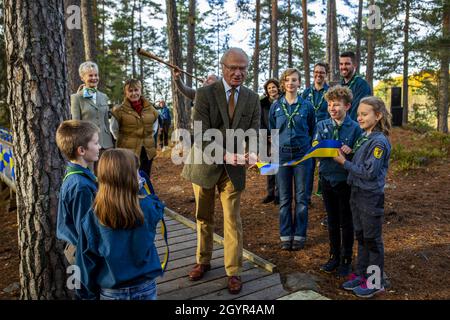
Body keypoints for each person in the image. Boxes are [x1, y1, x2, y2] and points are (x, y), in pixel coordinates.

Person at [181, 47, 260, 294]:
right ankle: (202, 260)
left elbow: (254, 131)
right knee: (203, 217)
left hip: (233, 171)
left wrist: (254, 151)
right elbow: (200, 134)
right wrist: (226, 154)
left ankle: (233, 271)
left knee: (232, 219)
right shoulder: (205, 94)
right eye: (233, 68)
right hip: (204, 165)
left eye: (243, 68)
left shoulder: (252, 97)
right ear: (223, 67)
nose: (238, 73)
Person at [75, 148, 166, 300]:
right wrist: (140, 186)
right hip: (145, 286)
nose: (140, 175)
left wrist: (86, 294)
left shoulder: (94, 215)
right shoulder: (148, 207)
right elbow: (157, 204)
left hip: (112, 290)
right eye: (136, 172)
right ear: (131, 178)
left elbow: (85, 260)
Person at [334, 96, 391, 298]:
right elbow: (360, 163)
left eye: (364, 114)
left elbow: (369, 172)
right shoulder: (364, 137)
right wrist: (349, 154)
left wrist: (343, 162)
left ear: (378, 116)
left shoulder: (379, 142)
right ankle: (362, 274)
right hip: (357, 194)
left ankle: (375, 282)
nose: (359, 118)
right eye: (358, 114)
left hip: (370, 197)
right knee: (361, 237)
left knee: (372, 240)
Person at [313, 86, 362, 277]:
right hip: (327, 179)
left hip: (345, 182)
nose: (332, 108)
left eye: (337, 105)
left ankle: (346, 259)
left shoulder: (355, 128)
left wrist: (351, 151)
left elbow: (360, 155)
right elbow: (315, 148)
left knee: (346, 221)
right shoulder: (322, 125)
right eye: (330, 104)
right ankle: (333, 256)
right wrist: (324, 148)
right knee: (332, 221)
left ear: (348, 106)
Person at [269, 68, 315, 251]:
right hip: (282, 155)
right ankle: (286, 233)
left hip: (302, 155)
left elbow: (312, 130)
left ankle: (300, 234)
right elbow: (273, 130)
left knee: (302, 198)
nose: (291, 83)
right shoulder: (276, 106)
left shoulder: (307, 106)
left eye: (294, 80)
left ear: (299, 83)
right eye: (287, 80)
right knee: (285, 198)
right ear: (283, 83)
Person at [55, 120, 100, 265]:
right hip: (87, 256)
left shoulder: (79, 175)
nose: (99, 147)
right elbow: (87, 232)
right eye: (95, 143)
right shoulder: (80, 186)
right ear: (81, 150)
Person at [110, 79, 159, 177]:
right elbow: (113, 129)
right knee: (129, 177)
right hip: (127, 151)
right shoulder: (119, 110)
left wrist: (144, 138)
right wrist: (125, 140)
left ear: (140, 91)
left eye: (136, 90)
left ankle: (144, 192)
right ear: (126, 93)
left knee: (145, 176)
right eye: (130, 91)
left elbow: (154, 128)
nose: (134, 93)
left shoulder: (151, 109)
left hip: (146, 150)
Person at [70, 62, 114, 170]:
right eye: (90, 75)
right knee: (90, 177)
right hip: (87, 145)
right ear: (82, 77)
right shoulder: (76, 98)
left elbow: (105, 122)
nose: (94, 78)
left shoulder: (103, 96)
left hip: (105, 144)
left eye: (96, 75)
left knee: (105, 176)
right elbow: (76, 124)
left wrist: (111, 142)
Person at [302, 62, 330, 219]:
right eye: (316, 72)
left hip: (325, 135)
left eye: (322, 72)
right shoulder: (306, 93)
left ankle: (326, 199)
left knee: (325, 168)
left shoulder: (330, 93)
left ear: (326, 75)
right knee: (308, 168)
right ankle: (306, 199)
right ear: (313, 73)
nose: (319, 75)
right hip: (308, 135)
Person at [260, 78, 280, 204]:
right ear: (266, 91)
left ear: (278, 87)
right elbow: (260, 120)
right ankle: (270, 193)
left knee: (278, 166)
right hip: (266, 138)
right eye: (269, 88)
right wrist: (266, 135)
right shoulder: (262, 103)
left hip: (279, 137)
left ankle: (278, 194)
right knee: (268, 166)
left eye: (273, 87)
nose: (272, 89)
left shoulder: (283, 101)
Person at [339, 52, 372, 121]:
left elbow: (356, 112)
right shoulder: (339, 85)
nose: (343, 67)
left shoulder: (362, 85)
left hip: (355, 128)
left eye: (347, 64)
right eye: (341, 64)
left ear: (355, 65)